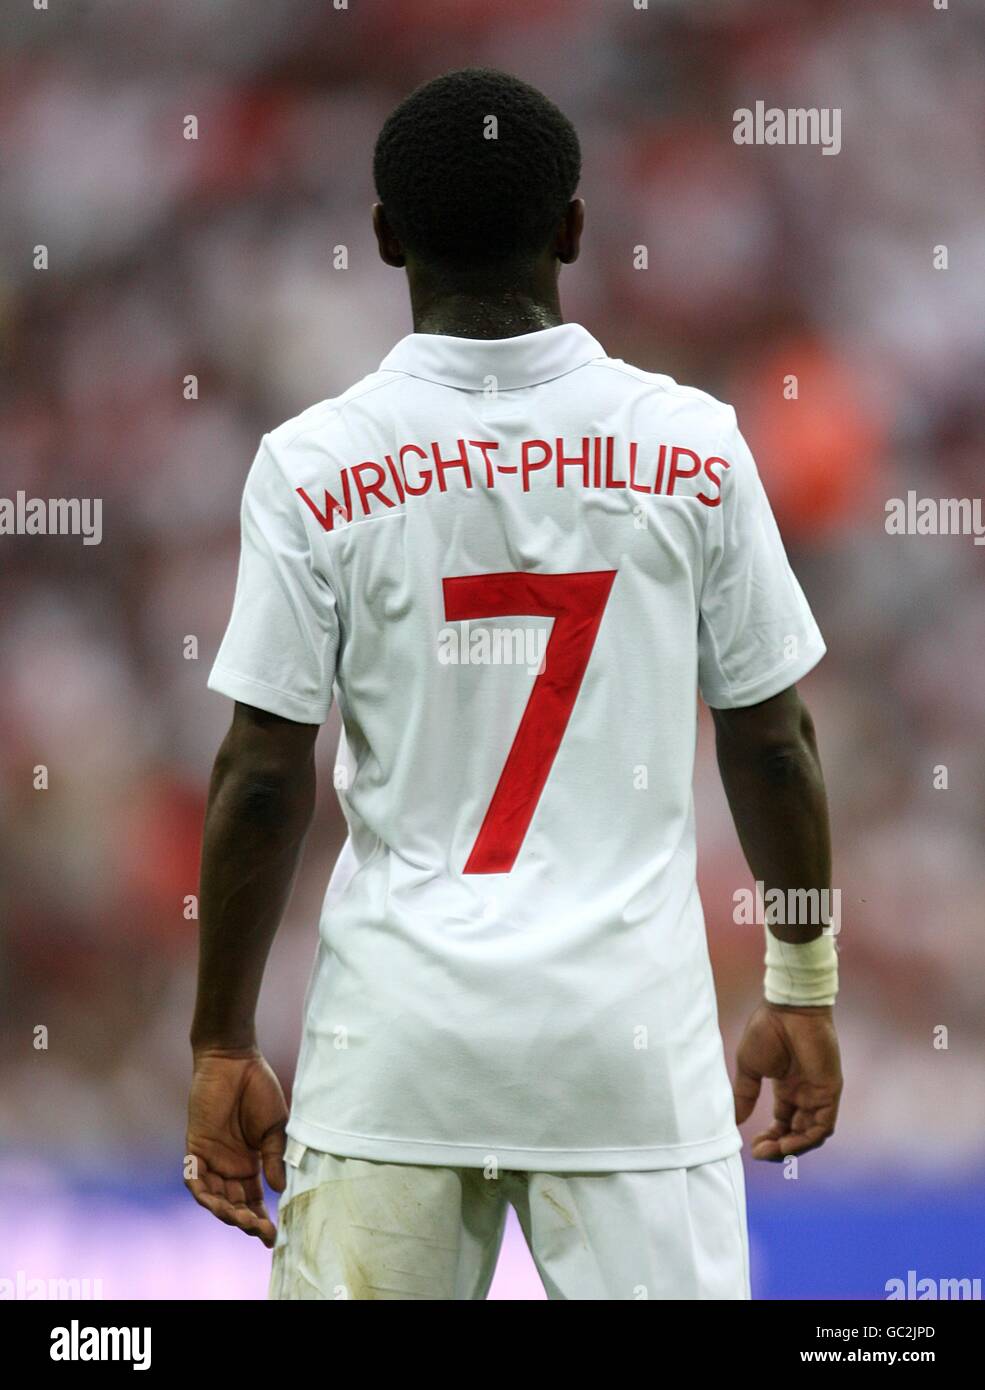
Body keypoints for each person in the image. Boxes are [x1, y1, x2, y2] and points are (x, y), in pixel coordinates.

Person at [186, 68, 842, 1301]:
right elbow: (772, 741)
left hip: (393, 1049)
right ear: (575, 226)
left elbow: (264, 775)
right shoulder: (691, 443)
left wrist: (221, 1037)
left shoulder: (313, 463)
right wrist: (802, 984)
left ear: (385, 236)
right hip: (627, 1051)